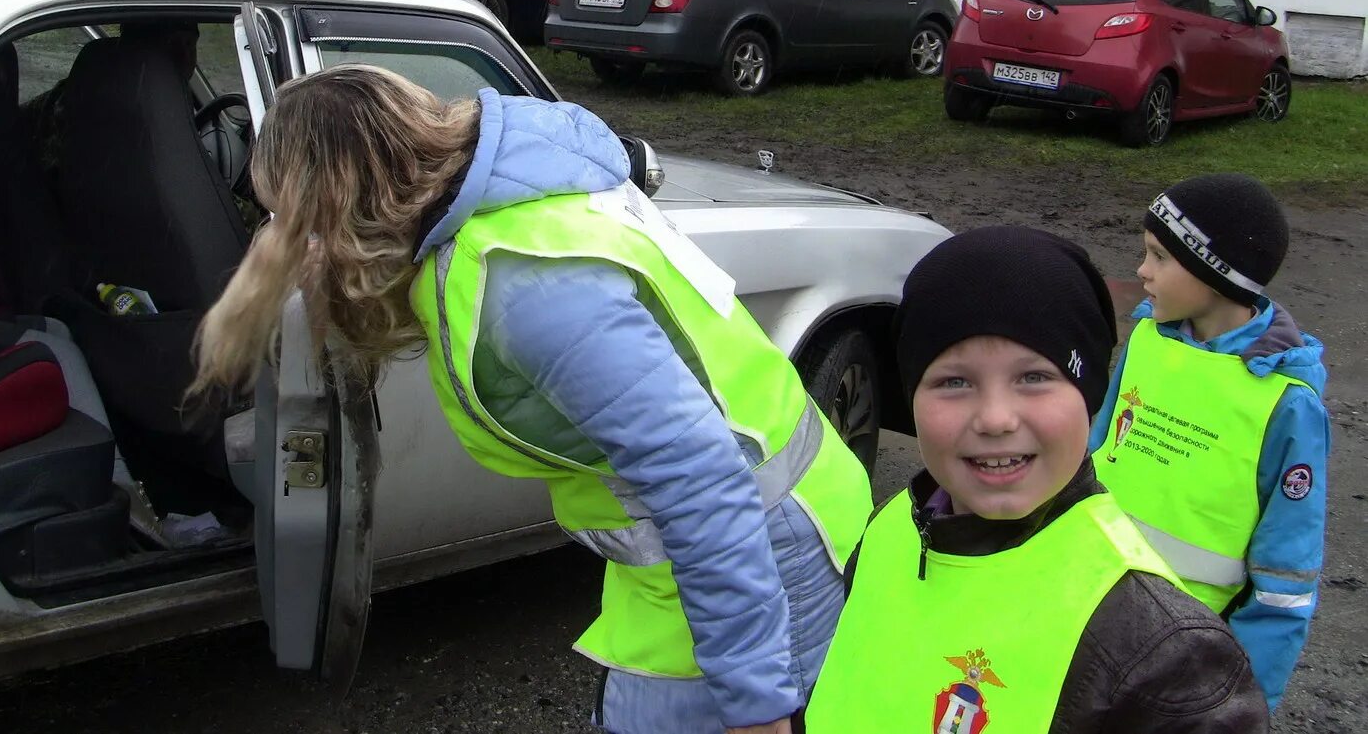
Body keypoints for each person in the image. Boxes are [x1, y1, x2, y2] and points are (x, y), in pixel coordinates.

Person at [190, 64, 873, 734]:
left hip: (757, 542)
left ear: (334, 205)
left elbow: (701, 478)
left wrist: (755, 703)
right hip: (715, 542)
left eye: (289, 213)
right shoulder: (515, 190)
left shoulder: (522, 290)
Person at [801, 226, 1268, 732]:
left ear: (1089, 399)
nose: (996, 418)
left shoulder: (1163, 658)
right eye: (953, 381)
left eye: (1034, 377)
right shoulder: (889, 528)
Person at [1090, 173, 1330, 710]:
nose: (1141, 271)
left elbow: (1284, 584)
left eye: (1159, 256)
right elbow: (1095, 449)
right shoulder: (1147, 338)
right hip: (1084, 608)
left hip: (1181, 656)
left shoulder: (1286, 404)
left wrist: (1237, 707)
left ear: (1215, 274)